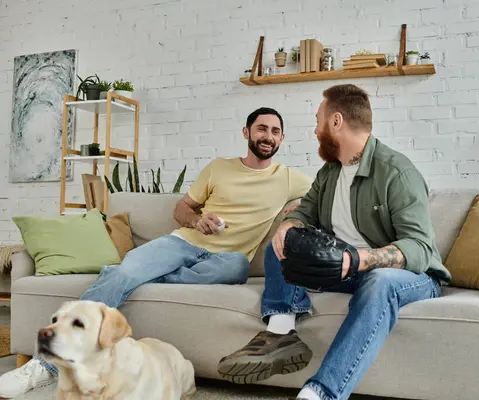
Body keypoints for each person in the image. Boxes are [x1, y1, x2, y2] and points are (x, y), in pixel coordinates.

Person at [0, 107, 314, 398]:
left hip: (228, 259)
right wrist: (197, 219)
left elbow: (323, 191)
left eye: (275, 131)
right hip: (182, 243)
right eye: (262, 128)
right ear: (246, 132)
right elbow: (182, 208)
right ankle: (46, 366)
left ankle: (149, 278)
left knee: (237, 268)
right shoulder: (219, 168)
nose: (268, 136)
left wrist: (299, 209)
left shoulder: (287, 178)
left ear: (282, 138)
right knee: (122, 273)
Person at [217, 84, 452, 400]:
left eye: (318, 120)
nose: (315, 130)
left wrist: (359, 260)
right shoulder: (329, 172)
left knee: (380, 281)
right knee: (284, 240)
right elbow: (305, 210)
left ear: (336, 121)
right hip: (349, 269)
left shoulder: (396, 171)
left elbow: (421, 248)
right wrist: (290, 224)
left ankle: (321, 393)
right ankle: (281, 334)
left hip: (411, 276)